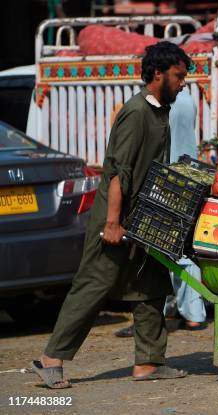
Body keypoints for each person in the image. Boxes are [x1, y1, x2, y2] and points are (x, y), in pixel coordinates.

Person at [30, 41, 191, 388]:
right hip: (116, 216)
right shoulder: (136, 113)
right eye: (179, 76)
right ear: (158, 74)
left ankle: (148, 363)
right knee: (94, 284)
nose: (183, 83)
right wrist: (113, 223)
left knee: (151, 284)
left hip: (142, 216)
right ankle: (50, 359)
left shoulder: (160, 111)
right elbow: (118, 172)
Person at [114, 89, 207, 338]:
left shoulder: (159, 102)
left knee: (158, 247)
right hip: (186, 174)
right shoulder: (187, 100)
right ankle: (192, 313)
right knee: (181, 246)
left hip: (165, 177)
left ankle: (161, 314)